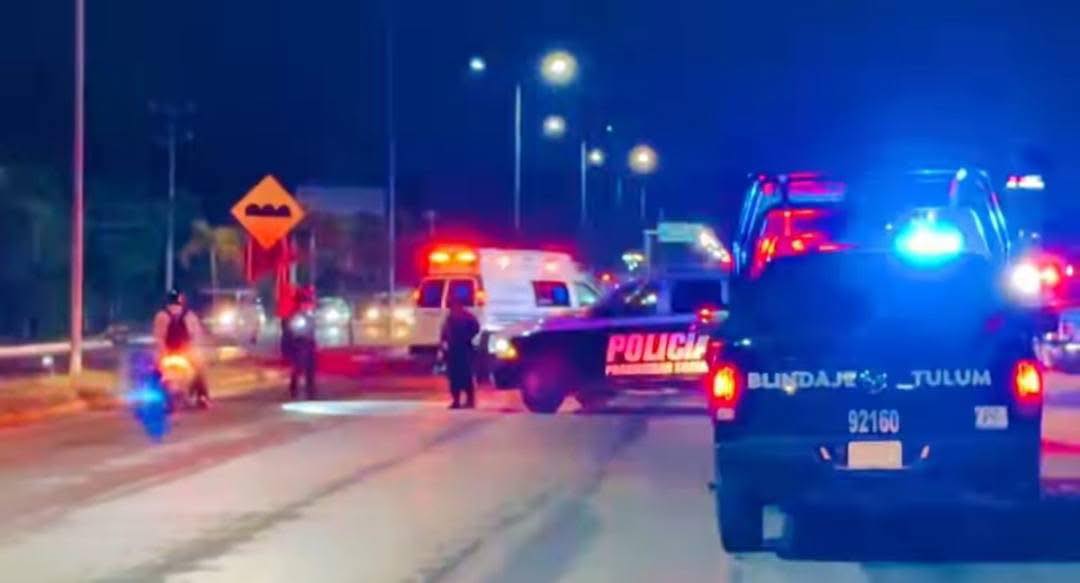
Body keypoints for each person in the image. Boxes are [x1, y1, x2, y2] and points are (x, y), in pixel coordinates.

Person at [152, 289, 210, 408]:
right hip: (185, 353)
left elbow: (159, 337)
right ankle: (202, 396)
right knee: (199, 370)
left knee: (156, 372)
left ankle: (155, 396)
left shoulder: (161, 315)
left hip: (170, 352)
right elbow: (197, 335)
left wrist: (162, 353)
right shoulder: (190, 315)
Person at [440, 297, 481, 409]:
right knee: (458, 377)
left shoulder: (463, 317)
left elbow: (475, 328)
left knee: (463, 376)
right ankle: (459, 400)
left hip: (462, 349)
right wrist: (444, 344)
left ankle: (465, 400)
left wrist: (466, 338)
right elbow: (445, 333)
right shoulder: (453, 317)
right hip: (457, 350)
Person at [283, 287, 318, 400]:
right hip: (299, 343)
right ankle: (294, 387)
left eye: (309, 303)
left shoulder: (310, 315)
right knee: (298, 366)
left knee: (310, 367)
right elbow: (293, 330)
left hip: (309, 343)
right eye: (305, 303)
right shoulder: (297, 316)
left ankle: (310, 389)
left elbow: (313, 329)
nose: (308, 305)